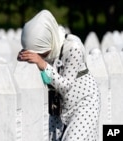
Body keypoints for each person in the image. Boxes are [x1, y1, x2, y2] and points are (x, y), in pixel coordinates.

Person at [17, 10, 101, 141]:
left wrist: (42, 64)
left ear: (48, 41)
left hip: (83, 103)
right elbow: (48, 79)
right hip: (58, 103)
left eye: (40, 52)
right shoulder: (49, 50)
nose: (39, 56)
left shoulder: (73, 48)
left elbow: (66, 86)